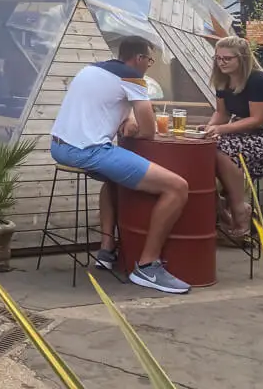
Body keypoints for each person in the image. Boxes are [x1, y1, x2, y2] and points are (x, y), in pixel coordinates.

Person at [50, 36, 191, 294]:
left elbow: (110, 103)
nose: (149, 65)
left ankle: (106, 249)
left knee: (112, 178)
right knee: (177, 187)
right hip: (88, 151)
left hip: (60, 147)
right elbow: (148, 130)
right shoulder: (133, 78)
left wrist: (126, 118)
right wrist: (134, 129)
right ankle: (147, 267)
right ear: (138, 59)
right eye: (149, 60)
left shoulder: (91, 69)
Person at [205, 36, 263, 237]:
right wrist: (208, 130)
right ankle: (219, 209)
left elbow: (257, 120)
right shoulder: (222, 81)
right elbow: (222, 114)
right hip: (241, 134)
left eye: (227, 59)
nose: (221, 63)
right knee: (204, 148)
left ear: (242, 59)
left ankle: (238, 209)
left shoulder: (259, 80)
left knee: (223, 149)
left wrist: (220, 130)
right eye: (218, 58)